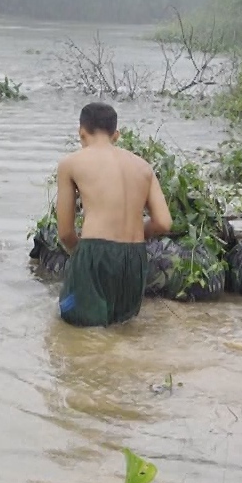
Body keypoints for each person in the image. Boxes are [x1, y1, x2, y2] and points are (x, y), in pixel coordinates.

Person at [54, 102, 173, 327]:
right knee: (122, 327)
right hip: (135, 257)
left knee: (73, 321)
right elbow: (164, 222)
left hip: (95, 252)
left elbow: (65, 232)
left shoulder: (70, 163)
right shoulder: (143, 166)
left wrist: (79, 256)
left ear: (81, 131)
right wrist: (138, 233)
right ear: (116, 134)